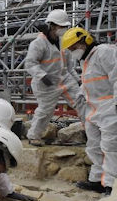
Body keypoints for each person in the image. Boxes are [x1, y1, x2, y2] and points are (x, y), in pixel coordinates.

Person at [61, 26, 117, 195]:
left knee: (110, 147)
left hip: (112, 108)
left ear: (85, 41)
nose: (73, 52)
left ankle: (111, 183)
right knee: (94, 146)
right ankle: (97, 180)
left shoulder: (104, 52)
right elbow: (91, 84)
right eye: (70, 49)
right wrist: (80, 95)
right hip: (95, 111)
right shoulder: (87, 61)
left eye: (74, 48)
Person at [25, 9, 84, 146]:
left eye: (65, 26)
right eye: (61, 26)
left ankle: (94, 131)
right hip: (46, 83)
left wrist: (77, 79)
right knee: (46, 111)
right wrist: (42, 75)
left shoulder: (64, 41)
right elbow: (30, 63)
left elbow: (69, 66)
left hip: (64, 78)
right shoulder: (38, 43)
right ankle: (33, 136)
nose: (63, 29)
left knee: (82, 101)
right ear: (51, 26)